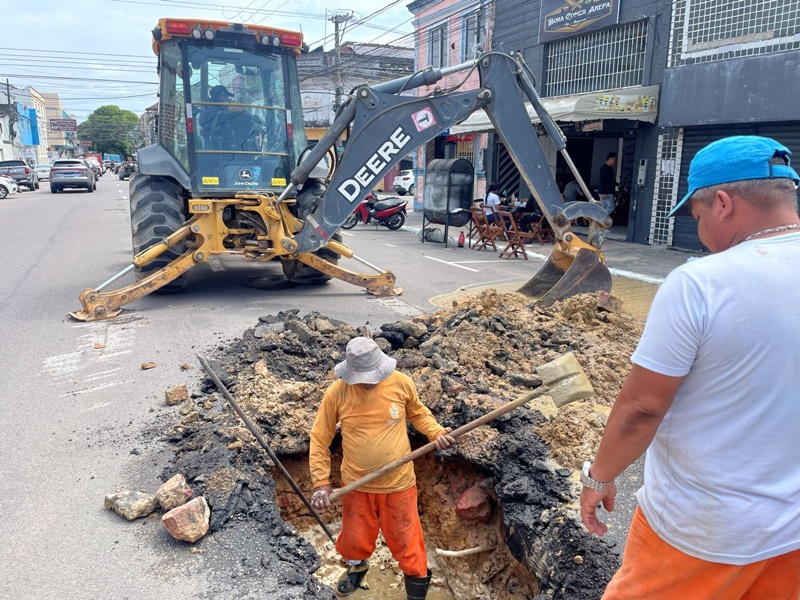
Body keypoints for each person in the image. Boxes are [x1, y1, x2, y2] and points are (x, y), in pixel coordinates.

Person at [579, 135, 800, 599]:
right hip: (790, 534)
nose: (699, 233)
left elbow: (641, 407)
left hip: (701, 533)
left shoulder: (701, 283)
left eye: (697, 218)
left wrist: (598, 478)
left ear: (722, 203)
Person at [309, 337, 455, 599]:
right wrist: (320, 482)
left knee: (406, 542)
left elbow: (419, 414)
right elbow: (320, 438)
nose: (368, 382)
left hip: (398, 485)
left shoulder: (401, 382)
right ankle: (357, 568)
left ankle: (416, 589)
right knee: (355, 540)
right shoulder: (337, 393)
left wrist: (435, 433)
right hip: (356, 485)